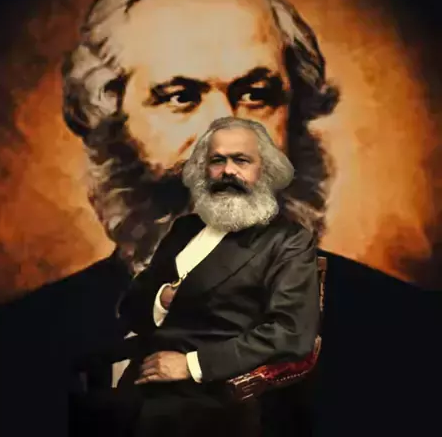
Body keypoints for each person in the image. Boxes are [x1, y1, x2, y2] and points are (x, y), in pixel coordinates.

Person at [62, 0, 340, 277]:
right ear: (112, 118)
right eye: (181, 98)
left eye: (255, 95)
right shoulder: (53, 311)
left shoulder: (383, 306)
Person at [69, 117, 321, 437]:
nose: (228, 171)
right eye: (217, 160)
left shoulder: (287, 240)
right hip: (146, 375)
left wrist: (191, 365)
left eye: (241, 160)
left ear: (265, 170)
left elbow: (291, 333)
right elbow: (132, 307)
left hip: (215, 391)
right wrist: (163, 299)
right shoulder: (185, 229)